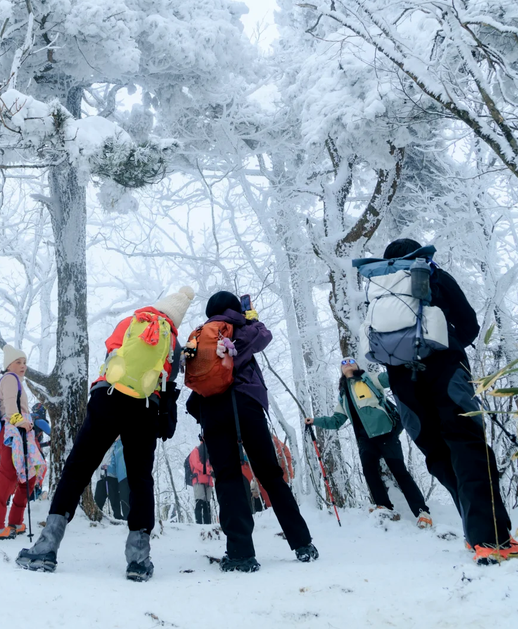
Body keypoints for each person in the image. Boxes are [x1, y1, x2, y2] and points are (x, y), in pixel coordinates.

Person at [16, 286, 194, 581]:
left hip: (107, 397)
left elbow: (111, 352)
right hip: (145, 407)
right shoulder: (172, 341)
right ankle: (138, 560)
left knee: (78, 468)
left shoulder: (131, 322)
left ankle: (45, 549)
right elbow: (167, 382)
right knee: (140, 479)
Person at [361, 238, 517, 565]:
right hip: (447, 373)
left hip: (404, 386)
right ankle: (490, 538)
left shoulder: (377, 288)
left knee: (437, 452)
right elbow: (470, 324)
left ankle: (477, 533)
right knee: (468, 445)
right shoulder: (433, 275)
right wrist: (450, 343)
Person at [186, 291, 318, 572]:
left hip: (212, 409)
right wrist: (250, 318)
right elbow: (264, 335)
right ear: (235, 308)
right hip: (245, 403)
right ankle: (302, 543)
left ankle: (240, 553)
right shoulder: (242, 328)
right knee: (270, 473)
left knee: (227, 477)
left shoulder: (202, 335)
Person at [305, 358, 431, 527]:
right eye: (343, 363)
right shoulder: (343, 395)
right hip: (364, 439)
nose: (347, 363)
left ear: (357, 365)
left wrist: (403, 365)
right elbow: (336, 421)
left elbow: (390, 378)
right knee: (369, 471)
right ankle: (384, 506)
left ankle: (422, 511)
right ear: (341, 370)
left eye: (351, 361)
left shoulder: (369, 379)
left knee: (399, 472)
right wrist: (314, 421)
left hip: (385, 433)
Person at [0, 344, 46, 539]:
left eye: (24, 362)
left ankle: (15, 521)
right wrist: (21, 421)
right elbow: (11, 408)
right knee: (9, 475)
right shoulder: (9, 379)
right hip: (12, 431)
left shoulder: (16, 380)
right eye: (18, 362)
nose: (23, 366)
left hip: (21, 432)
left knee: (30, 473)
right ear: (8, 365)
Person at [95, 438, 130, 520]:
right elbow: (113, 464)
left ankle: (119, 517)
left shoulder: (117, 445)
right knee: (99, 498)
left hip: (114, 476)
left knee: (116, 498)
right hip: (102, 475)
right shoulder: (112, 447)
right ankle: (97, 515)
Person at [185, 435, 214, 524]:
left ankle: (207, 523)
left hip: (208, 480)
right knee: (199, 502)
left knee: (207, 503)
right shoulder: (196, 451)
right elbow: (196, 464)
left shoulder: (210, 452)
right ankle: (199, 524)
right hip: (198, 480)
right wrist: (210, 471)